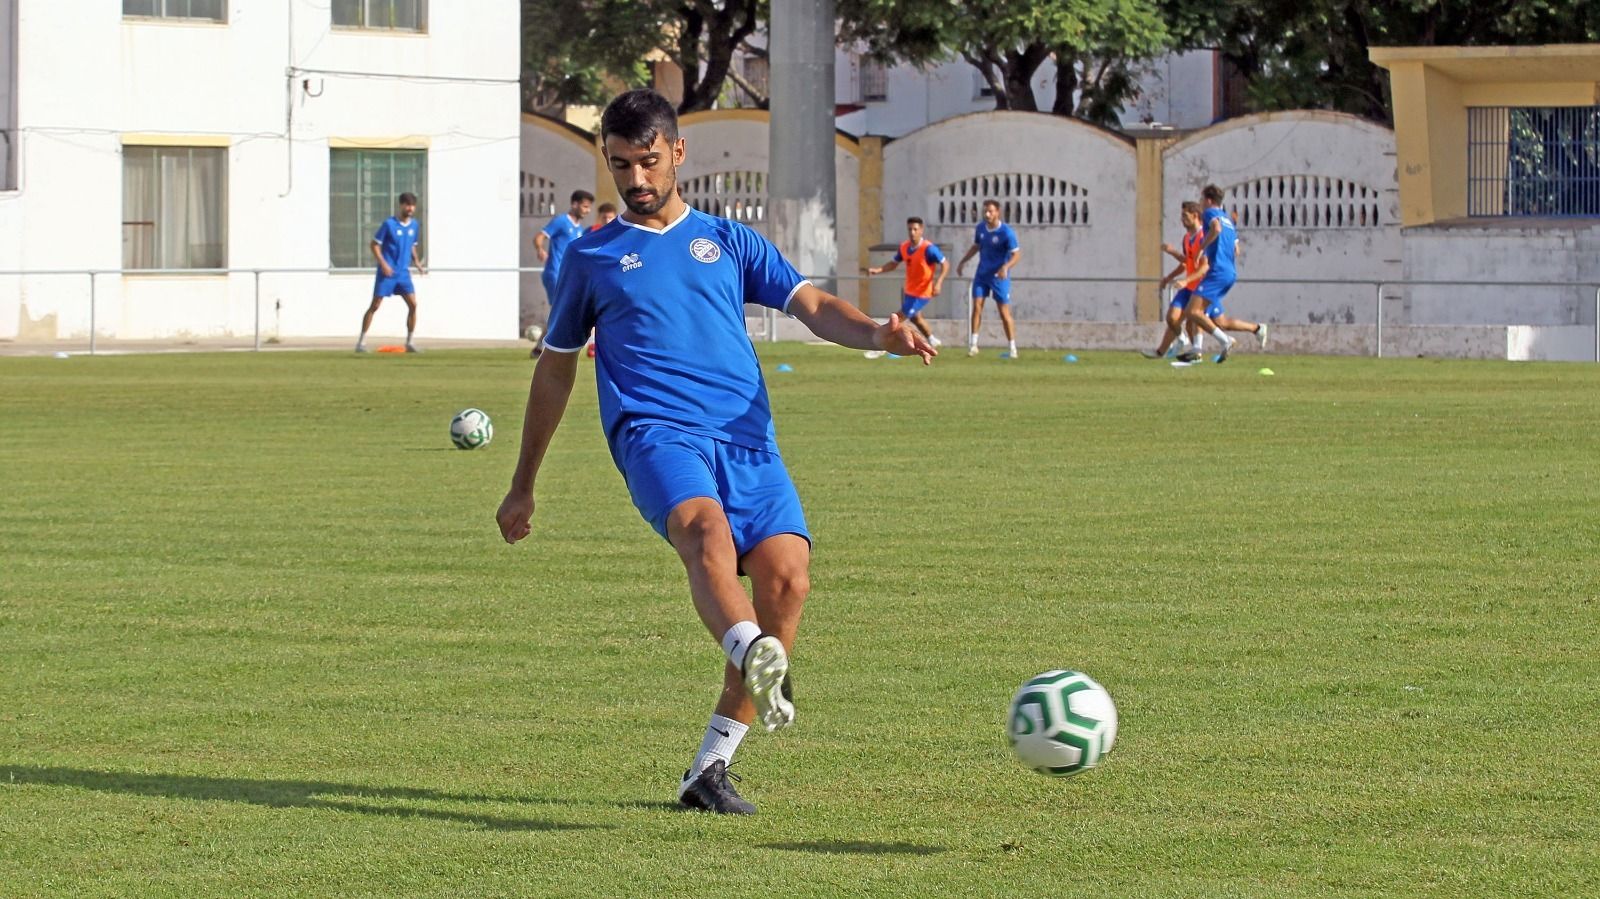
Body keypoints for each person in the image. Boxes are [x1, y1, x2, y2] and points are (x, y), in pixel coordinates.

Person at [495, 89, 935, 816]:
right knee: (704, 531)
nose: (634, 180)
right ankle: (752, 653)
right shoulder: (592, 256)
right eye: (619, 165)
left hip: (748, 438)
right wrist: (523, 483)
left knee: (788, 579)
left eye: (646, 161)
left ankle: (710, 768)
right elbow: (557, 365)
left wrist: (880, 335)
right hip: (657, 435)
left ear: (677, 152)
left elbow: (816, 306)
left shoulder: (731, 243)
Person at [1180, 184, 1267, 362]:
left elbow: (1216, 229)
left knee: (1192, 311)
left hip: (1217, 271)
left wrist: (1201, 249)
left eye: (1201, 199)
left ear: (1209, 200)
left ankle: (1225, 341)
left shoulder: (1211, 213)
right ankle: (1196, 350)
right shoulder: (1228, 219)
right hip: (1228, 272)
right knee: (1209, 316)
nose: (1200, 202)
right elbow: (1236, 249)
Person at [863, 216, 947, 348]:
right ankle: (932, 340)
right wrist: (878, 270)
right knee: (915, 318)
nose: (912, 232)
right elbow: (893, 264)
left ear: (921, 230)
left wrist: (939, 282)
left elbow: (945, 264)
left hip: (923, 292)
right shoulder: (904, 247)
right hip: (909, 291)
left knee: (898, 318)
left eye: (915, 229)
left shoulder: (929, 249)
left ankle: (881, 345)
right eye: (910, 229)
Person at [356, 192, 425, 353]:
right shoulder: (389, 224)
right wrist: (384, 264)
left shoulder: (414, 225)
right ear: (401, 205)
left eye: (412, 205)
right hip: (387, 273)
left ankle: (409, 342)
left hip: (403, 274)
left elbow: (412, 245)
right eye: (407, 204)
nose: (410, 208)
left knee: (413, 305)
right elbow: (374, 245)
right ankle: (361, 342)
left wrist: (417, 262)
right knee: (375, 305)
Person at [954, 199, 1021, 358]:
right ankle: (973, 345)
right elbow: (977, 246)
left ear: (998, 212)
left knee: (1004, 312)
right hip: (982, 275)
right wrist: (963, 261)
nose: (987, 214)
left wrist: (1005, 267)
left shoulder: (1006, 232)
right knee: (977, 307)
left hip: (999, 277)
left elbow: (1016, 254)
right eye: (985, 211)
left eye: (990, 211)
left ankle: (1012, 348)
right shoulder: (981, 229)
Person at [1145, 202, 1209, 360]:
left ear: (1195, 216)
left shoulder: (1204, 237)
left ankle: (1196, 352)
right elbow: (1187, 262)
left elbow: (1204, 267)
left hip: (1201, 286)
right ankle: (1181, 340)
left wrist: (1186, 280)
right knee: (1172, 318)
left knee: (1197, 321)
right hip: (1188, 287)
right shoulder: (1187, 238)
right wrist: (1169, 276)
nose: (1182, 220)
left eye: (1185, 216)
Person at [535, 189, 595, 305]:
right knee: (561, 310)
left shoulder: (580, 229)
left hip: (568, 277)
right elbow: (539, 237)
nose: (588, 210)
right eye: (585, 206)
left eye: (589, 207)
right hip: (556, 273)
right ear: (574, 204)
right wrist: (540, 249)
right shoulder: (561, 221)